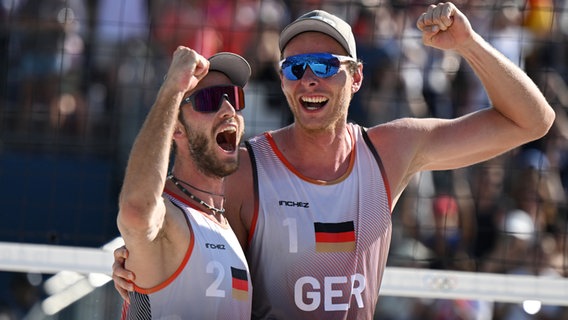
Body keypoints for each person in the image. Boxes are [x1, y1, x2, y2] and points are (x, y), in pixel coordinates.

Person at [113, 3, 555, 319]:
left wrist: (468, 43)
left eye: (325, 65)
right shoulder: (248, 168)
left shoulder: (391, 150)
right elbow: (165, 232)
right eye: (294, 68)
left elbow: (532, 121)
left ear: (356, 77)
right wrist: (135, 257)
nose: (308, 79)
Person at [116, 48, 253, 319]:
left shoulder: (223, 221)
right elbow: (136, 209)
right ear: (175, 128)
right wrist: (172, 90)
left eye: (234, 98)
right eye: (210, 99)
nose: (228, 110)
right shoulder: (171, 219)